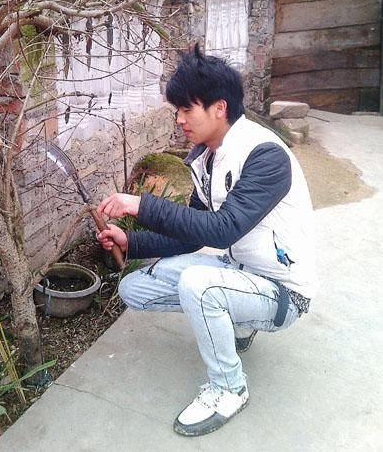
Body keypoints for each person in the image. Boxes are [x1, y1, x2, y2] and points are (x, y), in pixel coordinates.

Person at [96, 44, 315, 438]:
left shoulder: (265, 156)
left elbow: (222, 230)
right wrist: (131, 242)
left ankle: (230, 388)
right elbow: (192, 233)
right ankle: (237, 319)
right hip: (239, 270)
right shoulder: (207, 157)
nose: (179, 119)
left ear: (219, 108)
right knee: (135, 288)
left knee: (200, 285)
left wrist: (141, 205)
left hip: (283, 292)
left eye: (186, 109)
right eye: (176, 110)